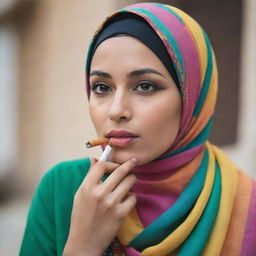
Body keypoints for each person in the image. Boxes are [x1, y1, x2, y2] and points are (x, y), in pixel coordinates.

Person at [19, 3, 256, 256]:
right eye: (101, 87)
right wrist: (82, 245)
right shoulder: (63, 191)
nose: (116, 110)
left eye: (145, 86)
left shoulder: (245, 209)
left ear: (193, 98)